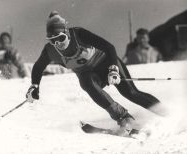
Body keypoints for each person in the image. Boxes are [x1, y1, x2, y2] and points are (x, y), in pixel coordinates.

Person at [26, 11, 160, 128]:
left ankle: (165, 112)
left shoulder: (78, 34)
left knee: (130, 93)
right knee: (85, 82)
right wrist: (34, 85)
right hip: (90, 75)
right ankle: (123, 118)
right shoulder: (50, 51)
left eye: (60, 38)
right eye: (52, 40)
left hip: (106, 64)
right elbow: (38, 67)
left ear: (67, 32)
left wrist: (113, 68)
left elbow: (109, 47)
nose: (58, 44)